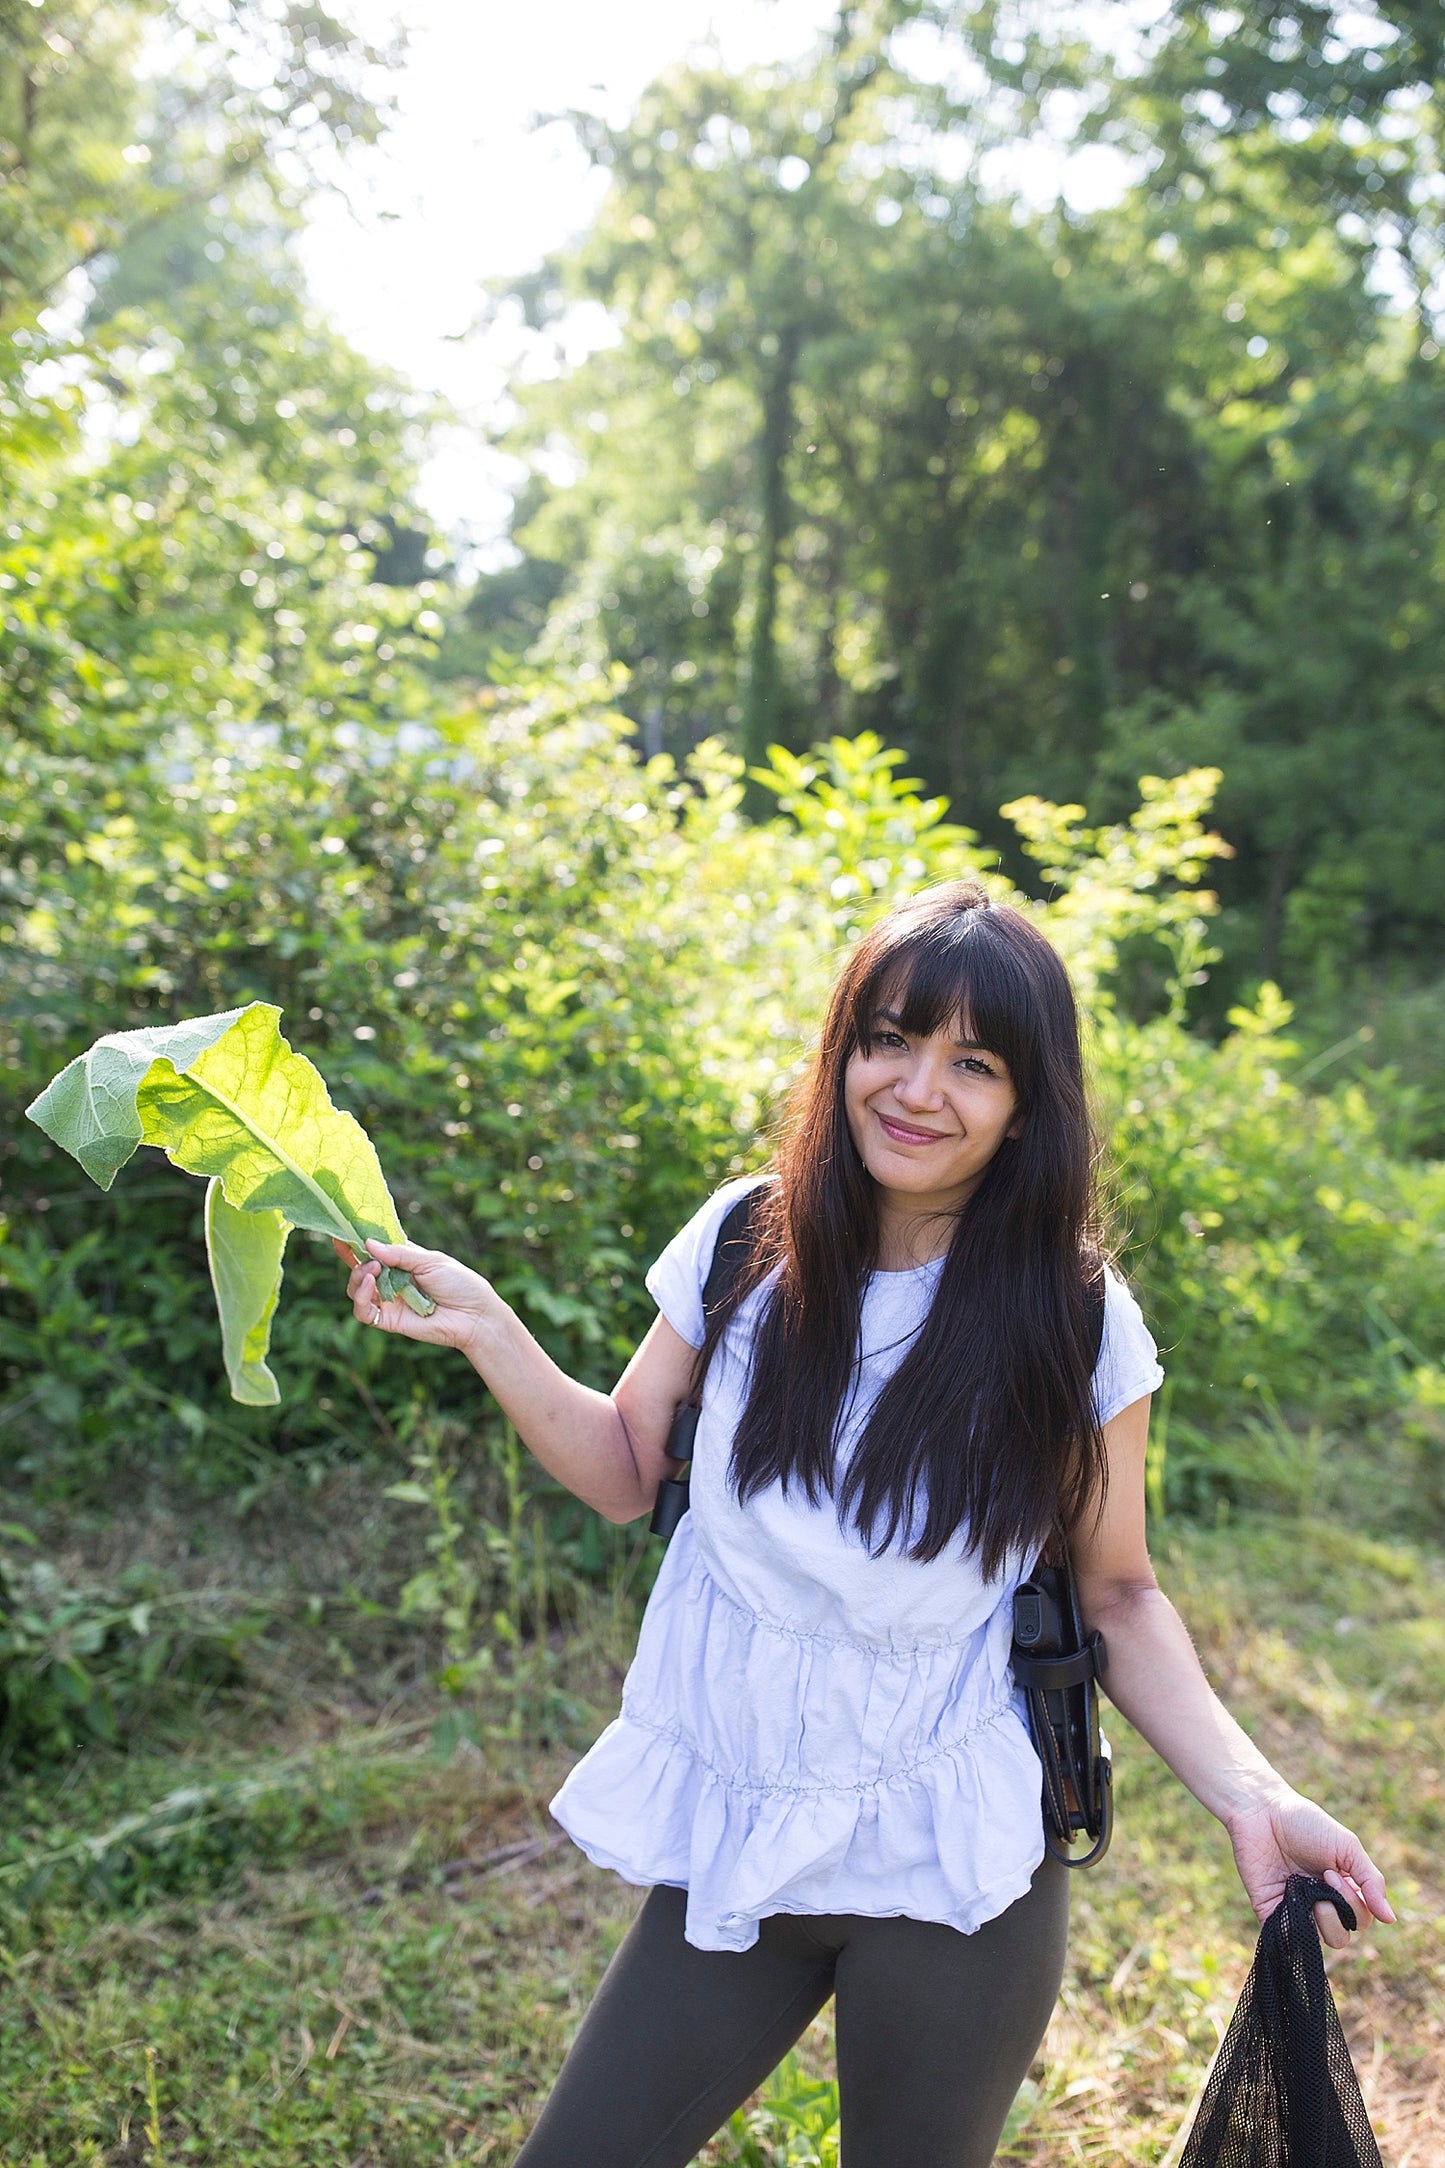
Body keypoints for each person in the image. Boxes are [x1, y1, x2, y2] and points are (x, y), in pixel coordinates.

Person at [337, 880, 1393, 2168]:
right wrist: (489, 1328)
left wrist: (1255, 1798)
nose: (917, 1088)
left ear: (1025, 1108)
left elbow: (1117, 1596)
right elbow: (624, 1467)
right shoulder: (744, 1240)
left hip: (948, 1872)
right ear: (844, 1048)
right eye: (890, 1038)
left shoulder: (1072, 1316)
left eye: (975, 1062)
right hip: (742, 1843)